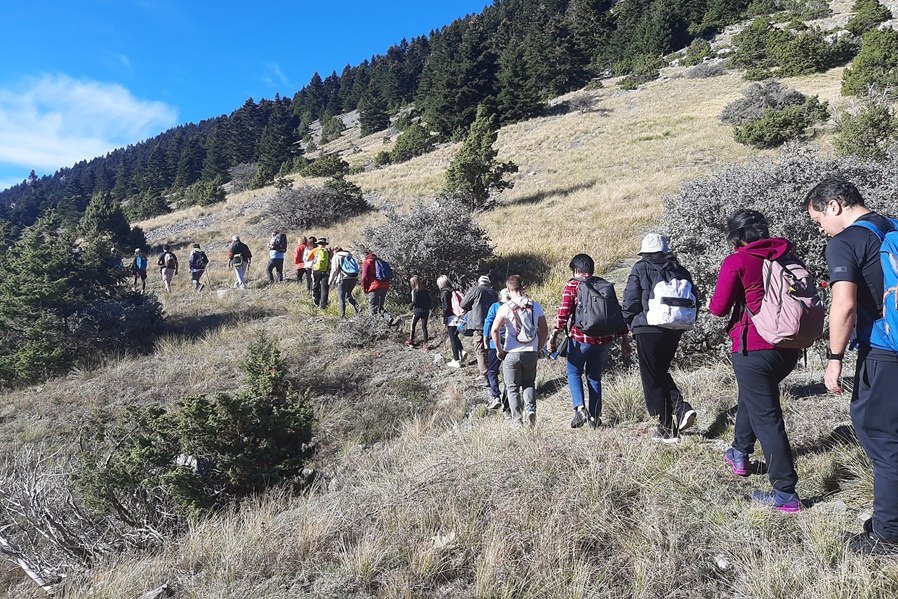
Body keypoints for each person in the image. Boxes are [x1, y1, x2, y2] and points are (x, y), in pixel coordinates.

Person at [805, 178, 898, 552]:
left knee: (881, 437)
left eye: (818, 220)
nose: (821, 228)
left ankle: (888, 536)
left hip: (885, 350)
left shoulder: (845, 242)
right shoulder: (891, 225)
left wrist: (834, 360)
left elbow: (843, 304)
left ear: (834, 206)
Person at [708, 209, 801, 513]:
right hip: (789, 346)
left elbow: (719, 307)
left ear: (735, 237)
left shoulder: (738, 261)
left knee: (768, 418)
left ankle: (785, 493)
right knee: (752, 398)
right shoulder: (786, 255)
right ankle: (739, 452)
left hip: (754, 347)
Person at [622, 234, 697, 441]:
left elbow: (630, 300)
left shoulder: (640, 268)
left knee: (651, 377)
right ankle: (680, 410)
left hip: (647, 327)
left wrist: (629, 323)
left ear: (645, 252)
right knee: (660, 371)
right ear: (665, 250)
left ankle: (666, 428)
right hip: (675, 327)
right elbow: (694, 297)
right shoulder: (680, 270)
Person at [550, 254, 630, 430]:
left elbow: (563, 314)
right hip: (605, 340)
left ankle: (580, 409)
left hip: (581, 339)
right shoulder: (604, 285)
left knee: (573, 372)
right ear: (592, 269)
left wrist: (554, 336)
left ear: (576, 270)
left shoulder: (573, 285)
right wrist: (625, 339)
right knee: (594, 376)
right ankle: (595, 418)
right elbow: (617, 313)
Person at [491, 275, 549, 428]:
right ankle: (530, 408)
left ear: (508, 290)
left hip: (512, 352)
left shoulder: (505, 307)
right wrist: (538, 348)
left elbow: (494, 330)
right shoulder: (535, 305)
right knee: (529, 382)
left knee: (512, 387)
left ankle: (517, 420)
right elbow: (544, 329)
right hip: (531, 351)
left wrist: (499, 350)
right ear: (522, 287)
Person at [461, 275, 499, 387]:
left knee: (479, 349)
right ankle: (492, 372)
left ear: (478, 283)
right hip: (492, 324)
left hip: (479, 325)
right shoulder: (494, 293)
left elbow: (463, 304)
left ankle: (485, 375)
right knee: (489, 348)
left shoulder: (475, 290)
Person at [483, 288, 510, 412]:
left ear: (500, 297)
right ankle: (506, 400)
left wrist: (485, 338)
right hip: (511, 345)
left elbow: (488, 322)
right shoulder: (513, 306)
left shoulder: (494, 307)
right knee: (509, 374)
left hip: (495, 344)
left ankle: (496, 396)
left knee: (492, 371)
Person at [438, 275, 466, 368]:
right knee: (455, 335)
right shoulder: (452, 290)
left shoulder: (444, 292)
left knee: (452, 339)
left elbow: (446, 307)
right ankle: (462, 351)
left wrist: (444, 317)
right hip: (458, 316)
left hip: (450, 317)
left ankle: (456, 360)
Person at [329, 246, 361, 318]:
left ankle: (342, 316)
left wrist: (330, 281)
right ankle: (357, 308)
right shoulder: (350, 256)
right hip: (353, 278)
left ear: (335, 250)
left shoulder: (336, 257)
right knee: (348, 295)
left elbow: (334, 270)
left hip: (343, 279)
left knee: (341, 297)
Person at [362, 251, 390, 320]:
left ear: (364, 257)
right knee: (381, 307)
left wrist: (364, 288)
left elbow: (364, 277)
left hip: (374, 287)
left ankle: (374, 325)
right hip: (385, 285)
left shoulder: (367, 262)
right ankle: (389, 319)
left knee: (372, 307)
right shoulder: (379, 260)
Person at [407, 276, 432, 350]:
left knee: (413, 325)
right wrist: (427, 308)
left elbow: (414, 301)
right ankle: (425, 344)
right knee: (424, 327)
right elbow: (429, 301)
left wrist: (410, 306)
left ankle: (411, 340)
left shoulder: (415, 291)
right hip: (425, 311)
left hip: (417, 312)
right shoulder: (425, 291)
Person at [310, 237, 331, 309]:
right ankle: (324, 305)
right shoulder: (328, 251)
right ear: (325, 244)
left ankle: (316, 301)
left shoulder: (314, 250)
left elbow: (308, 258)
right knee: (324, 288)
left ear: (318, 243)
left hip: (316, 270)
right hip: (325, 271)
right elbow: (331, 259)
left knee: (315, 285)